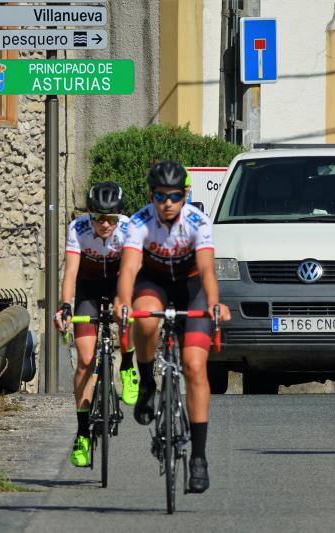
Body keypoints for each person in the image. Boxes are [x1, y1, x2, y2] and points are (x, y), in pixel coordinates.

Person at [115, 160, 231, 493]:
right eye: (160, 196)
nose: (167, 203)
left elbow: (208, 270)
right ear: (151, 196)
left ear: (185, 195)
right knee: (145, 316)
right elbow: (129, 268)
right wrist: (123, 301)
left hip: (192, 287)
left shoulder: (198, 222)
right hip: (154, 283)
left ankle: (198, 457)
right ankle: (148, 380)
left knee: (195, 367)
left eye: (175, 196)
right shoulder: (139, 223)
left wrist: (214, 302)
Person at [54, 182, 139, 468]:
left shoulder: (129, 229)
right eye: (99, 218)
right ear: (90, 216)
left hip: (118, 281)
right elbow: (71, 272)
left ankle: (127, 365)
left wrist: (124, 301)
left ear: (119, 217)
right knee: (85, 361)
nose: (105, 224)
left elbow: (130, 270)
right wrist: (65, 306)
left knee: (126, 314)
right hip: (88, 286)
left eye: (111, 218)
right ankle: (82, 434)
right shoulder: (78, 229)